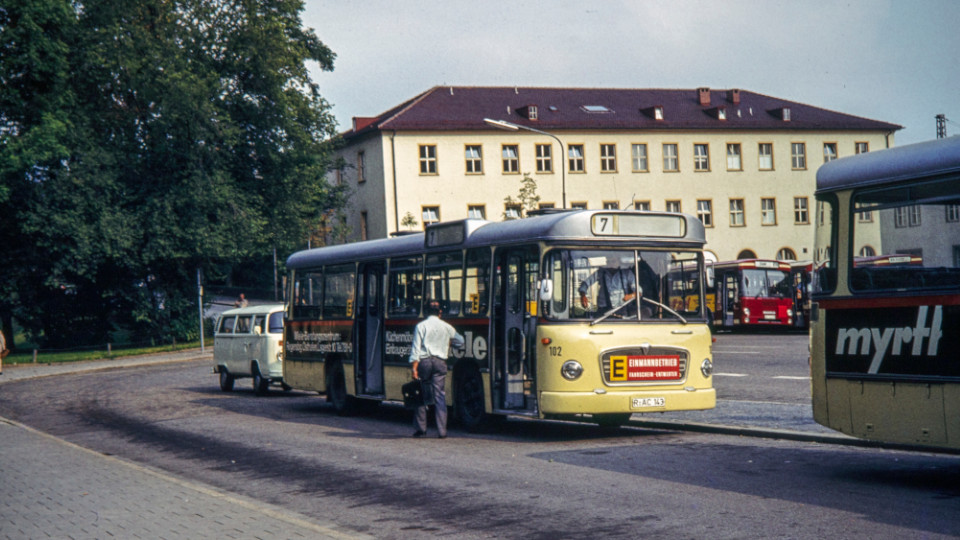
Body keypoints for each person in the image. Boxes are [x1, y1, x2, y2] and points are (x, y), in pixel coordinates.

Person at [408, 301, 464, 438]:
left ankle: (421, 429)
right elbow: (461, 341)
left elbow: (416, 349)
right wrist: (449, 344)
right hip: (440, 362)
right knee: (440, 395)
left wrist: (414, 369)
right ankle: (442, 431)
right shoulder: (447, 326)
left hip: (425, 362)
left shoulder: (421, 326)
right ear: (440, 312)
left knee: (421, 394)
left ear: (426, 312)